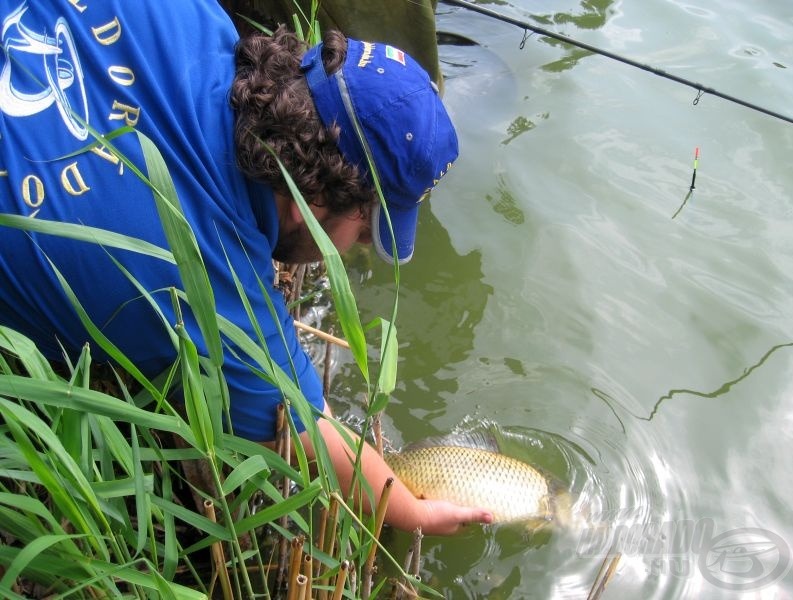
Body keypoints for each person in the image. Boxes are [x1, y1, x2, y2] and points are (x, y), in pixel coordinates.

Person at [0, 0, 492, 534]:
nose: (359, 249)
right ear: (320, 197)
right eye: (368, 227)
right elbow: (311, 433)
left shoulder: (194, 15)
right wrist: (415, 512)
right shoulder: (208, 277)